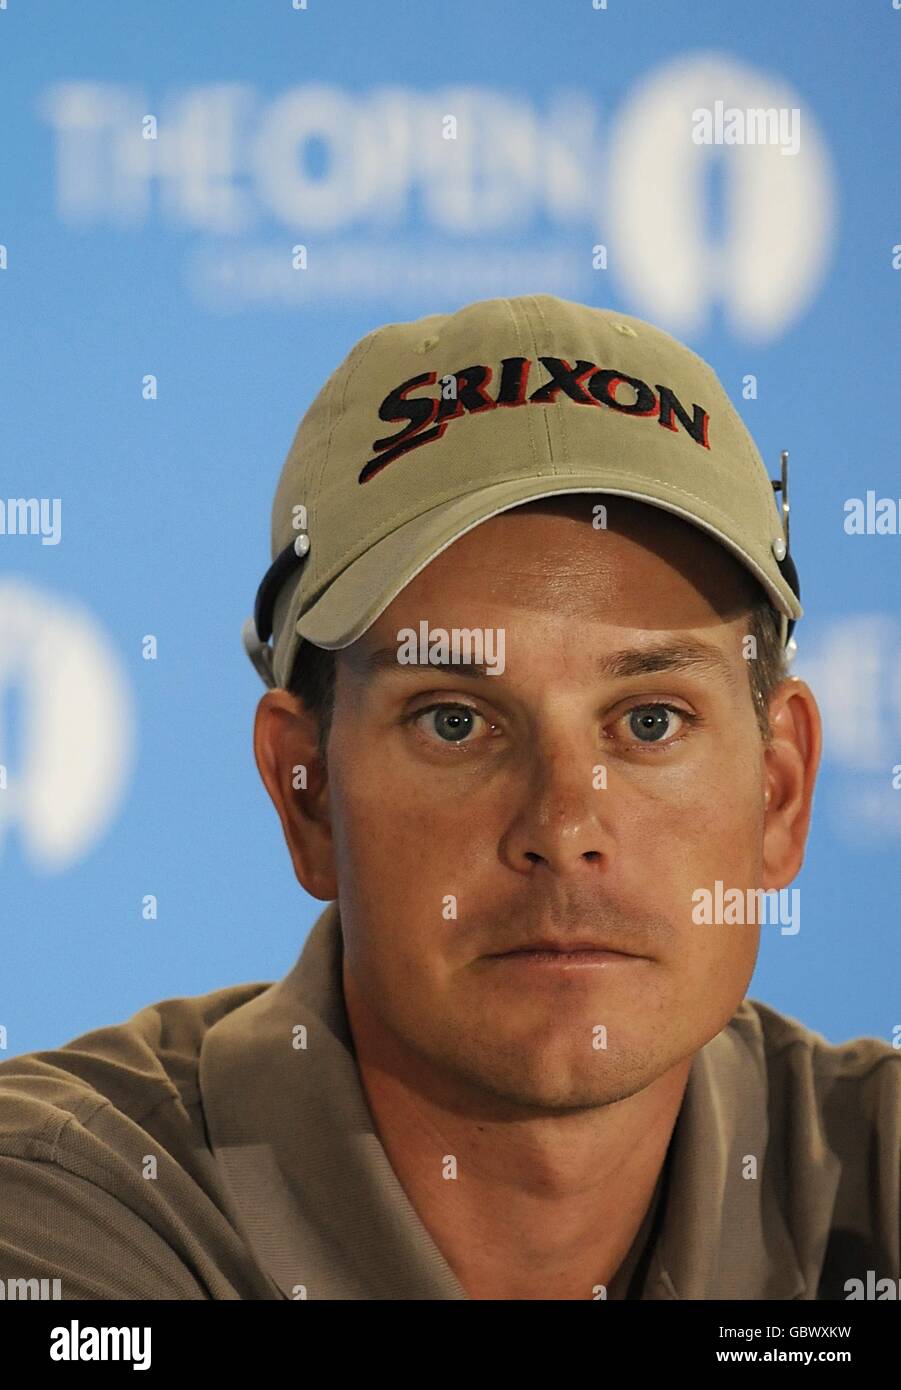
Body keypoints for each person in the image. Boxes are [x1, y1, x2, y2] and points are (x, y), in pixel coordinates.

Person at [0, 294, 897, 1301]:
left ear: (779, 795)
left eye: (648, 721)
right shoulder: (61, 1204)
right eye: (456, 720)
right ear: (309, 795)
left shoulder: (878, 1177)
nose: (563, 828)